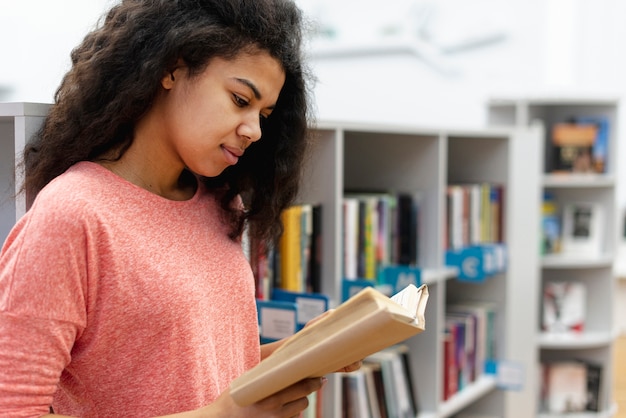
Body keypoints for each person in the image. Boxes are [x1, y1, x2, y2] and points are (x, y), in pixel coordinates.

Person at [0, 0, 360, 417]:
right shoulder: (74, 214)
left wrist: (300, 350)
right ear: (172, 68)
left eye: (263, 113)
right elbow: (14, 409)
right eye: (240, 99)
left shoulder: (220, 204)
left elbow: (194, 373)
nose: (255, 130)